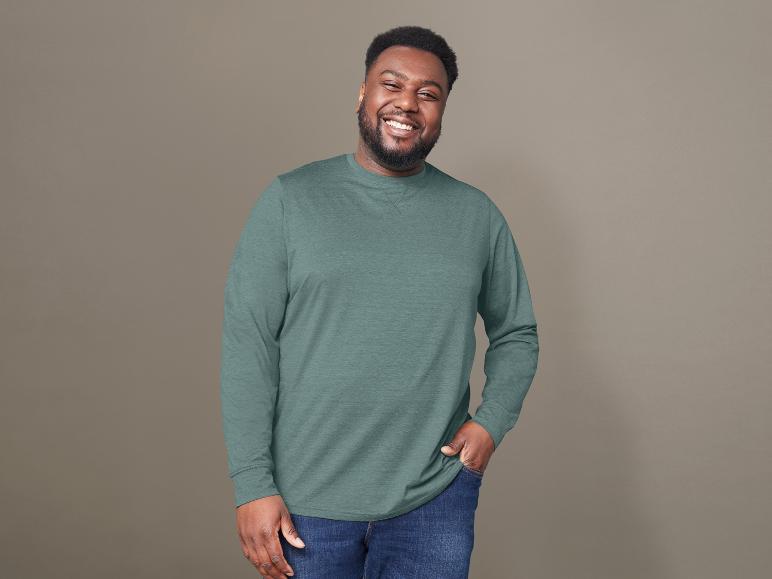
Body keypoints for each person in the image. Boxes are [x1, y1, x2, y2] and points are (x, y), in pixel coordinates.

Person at [219, 25, 540, 578]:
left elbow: (517, 332)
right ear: (363, 94)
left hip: (434, 500)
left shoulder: (476, 215)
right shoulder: (291, 200)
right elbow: (249, 343)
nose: (407, 103)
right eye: (391, 84)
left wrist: (491, 423)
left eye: (428, 93)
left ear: (441, 112)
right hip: (304, 504)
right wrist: (251, 484)